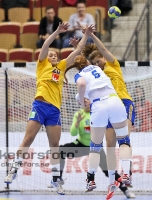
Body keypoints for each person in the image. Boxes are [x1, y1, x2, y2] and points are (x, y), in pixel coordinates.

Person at [4, 23, 95, 195]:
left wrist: (87, 34)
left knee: (54, 146)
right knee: (28, 139)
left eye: (55, 55)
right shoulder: (42, 64)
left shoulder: (61, 67)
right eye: (51, 55)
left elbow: (78, 50)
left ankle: (55, 180)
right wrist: (57, 32)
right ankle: (13, 170)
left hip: (54, 110)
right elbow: (45, 46)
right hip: (39, 105)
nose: (52, 56)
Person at [65, 52, 131, 199]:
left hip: (99, 105)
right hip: (115, 101)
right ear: (89, 62)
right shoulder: (99, 69)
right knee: (124, 141)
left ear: (77, 68)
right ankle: (126, 174)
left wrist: (82, 101)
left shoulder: (80, 75)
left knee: (95, 146)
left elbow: (81, 84)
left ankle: (90, 179)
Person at [80, 29, 135, 191]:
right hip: (108, 105)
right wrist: (79, 47)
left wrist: (91, 36)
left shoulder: (113, 64)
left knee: (123, 140)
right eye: (94, 63)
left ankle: (127, 174)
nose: (98, 65)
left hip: (123, 102)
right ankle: (113, 179)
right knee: (109, 144)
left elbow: (103, 49)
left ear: (104, 59)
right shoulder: (97, 73)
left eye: (99, 61)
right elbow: (83, 67)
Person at [59, 94, 134, 198]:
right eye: (83, 100)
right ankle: (58, 179)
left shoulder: (98, 112)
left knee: (108, 171)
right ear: (80, 103)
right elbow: (73, 133)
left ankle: (125, 190)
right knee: (60, 151)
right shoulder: (78, 114)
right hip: (81, 145)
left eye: (87, 100)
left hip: (95, 147)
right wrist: (77, 122)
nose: (85, 102)